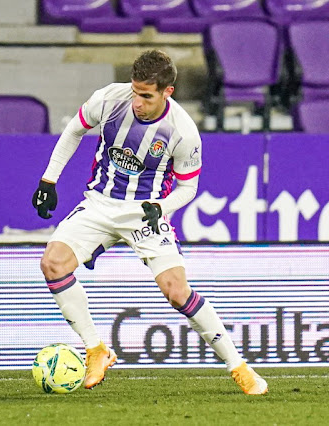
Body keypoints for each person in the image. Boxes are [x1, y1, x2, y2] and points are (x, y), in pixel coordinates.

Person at [31, 50, 268, 395]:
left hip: (146, 212)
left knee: (176, 291)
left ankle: (239, 366)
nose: (137, 102)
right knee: (52, 262)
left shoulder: (183, 132)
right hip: (100, 203)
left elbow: (188, 187)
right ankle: (96, 349)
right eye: (135, 91)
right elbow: (73, 131)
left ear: (167, 92)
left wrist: (163, 207)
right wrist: (49, 180)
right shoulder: (110, 100)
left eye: (146, 95)